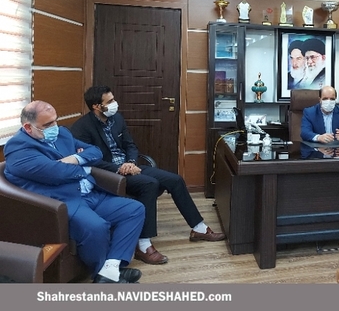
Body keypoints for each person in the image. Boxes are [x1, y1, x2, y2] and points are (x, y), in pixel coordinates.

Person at [71, 86, 225, 266]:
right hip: (109, 174)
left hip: (131, 167)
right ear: (97, 106)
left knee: (175, 180)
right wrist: (120, 168)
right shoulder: (81, 128)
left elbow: (130, 145)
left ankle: (199, 228)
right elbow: (90, 161)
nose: (114, 104)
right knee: (150, 184)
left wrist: (131, 162)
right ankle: (143, 245)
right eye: (110, 101)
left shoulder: (117, 119)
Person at [3, 101, 145, 283]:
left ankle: (110, 269)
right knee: (97, 227)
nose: (55, 127)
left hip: (88, 193)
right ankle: (104, 275)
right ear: (28, 127)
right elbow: (56, 173)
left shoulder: (62, 133)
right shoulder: (18, 149)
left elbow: (95, 152)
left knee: (134, 209)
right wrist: (84, 168)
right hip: (60, 201)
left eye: (55, 120)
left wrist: (75, 158)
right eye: (47, 124)